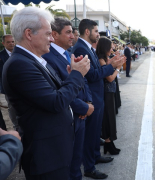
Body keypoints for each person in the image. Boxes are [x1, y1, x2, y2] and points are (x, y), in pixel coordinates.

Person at [3, 7, 91, 179]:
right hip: (46, 156)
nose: (52, 39)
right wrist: (76, 74)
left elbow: (56, 92)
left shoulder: (34, 60)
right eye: (48, 34)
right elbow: (56, 102)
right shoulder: (20, 64)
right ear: (29, 34)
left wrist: (71, 74)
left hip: (54, 150)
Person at [42, 18, 94, 180]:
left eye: (73, 32)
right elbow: (58, 89)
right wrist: (83, 108)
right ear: (55, 35)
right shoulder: (48, 57)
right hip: (70, 114)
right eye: (68, 32)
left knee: (76, 160)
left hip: (81, 114)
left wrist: (89, 103)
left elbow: (83, 80)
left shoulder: (69, 54)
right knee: (68, 162)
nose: (73, 36)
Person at [72, 19, 124, 179]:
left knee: (95, 133)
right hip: (92, 98)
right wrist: (112, 66)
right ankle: (89, 167)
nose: (98, 34)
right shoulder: (81, 48)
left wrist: (110, 64)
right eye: (96, 31)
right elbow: (93, 75)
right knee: (90, 135)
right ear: (87, 32)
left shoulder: (87, 47)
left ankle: (95, 156)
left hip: (97, 97)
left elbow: (96, 70)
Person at [96, 37, 124, 155]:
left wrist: (115, 60)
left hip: (110, 92)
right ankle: (108, 142)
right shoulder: (101, 59)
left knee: (111, 117)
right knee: (108, 118)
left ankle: (110, 142)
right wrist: (118, 67)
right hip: (106, 92)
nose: (112, 48)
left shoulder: (105, 58)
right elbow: (110, 77)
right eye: (110, 46)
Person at [0, 34, 17, 132]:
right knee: (12, 107)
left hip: (21, 86)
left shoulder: (19, 53)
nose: (11, 44)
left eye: (13, 42)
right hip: (8, 88)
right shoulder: (1, 56)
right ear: (3, 43)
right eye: (8, 42)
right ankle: (16, 127)